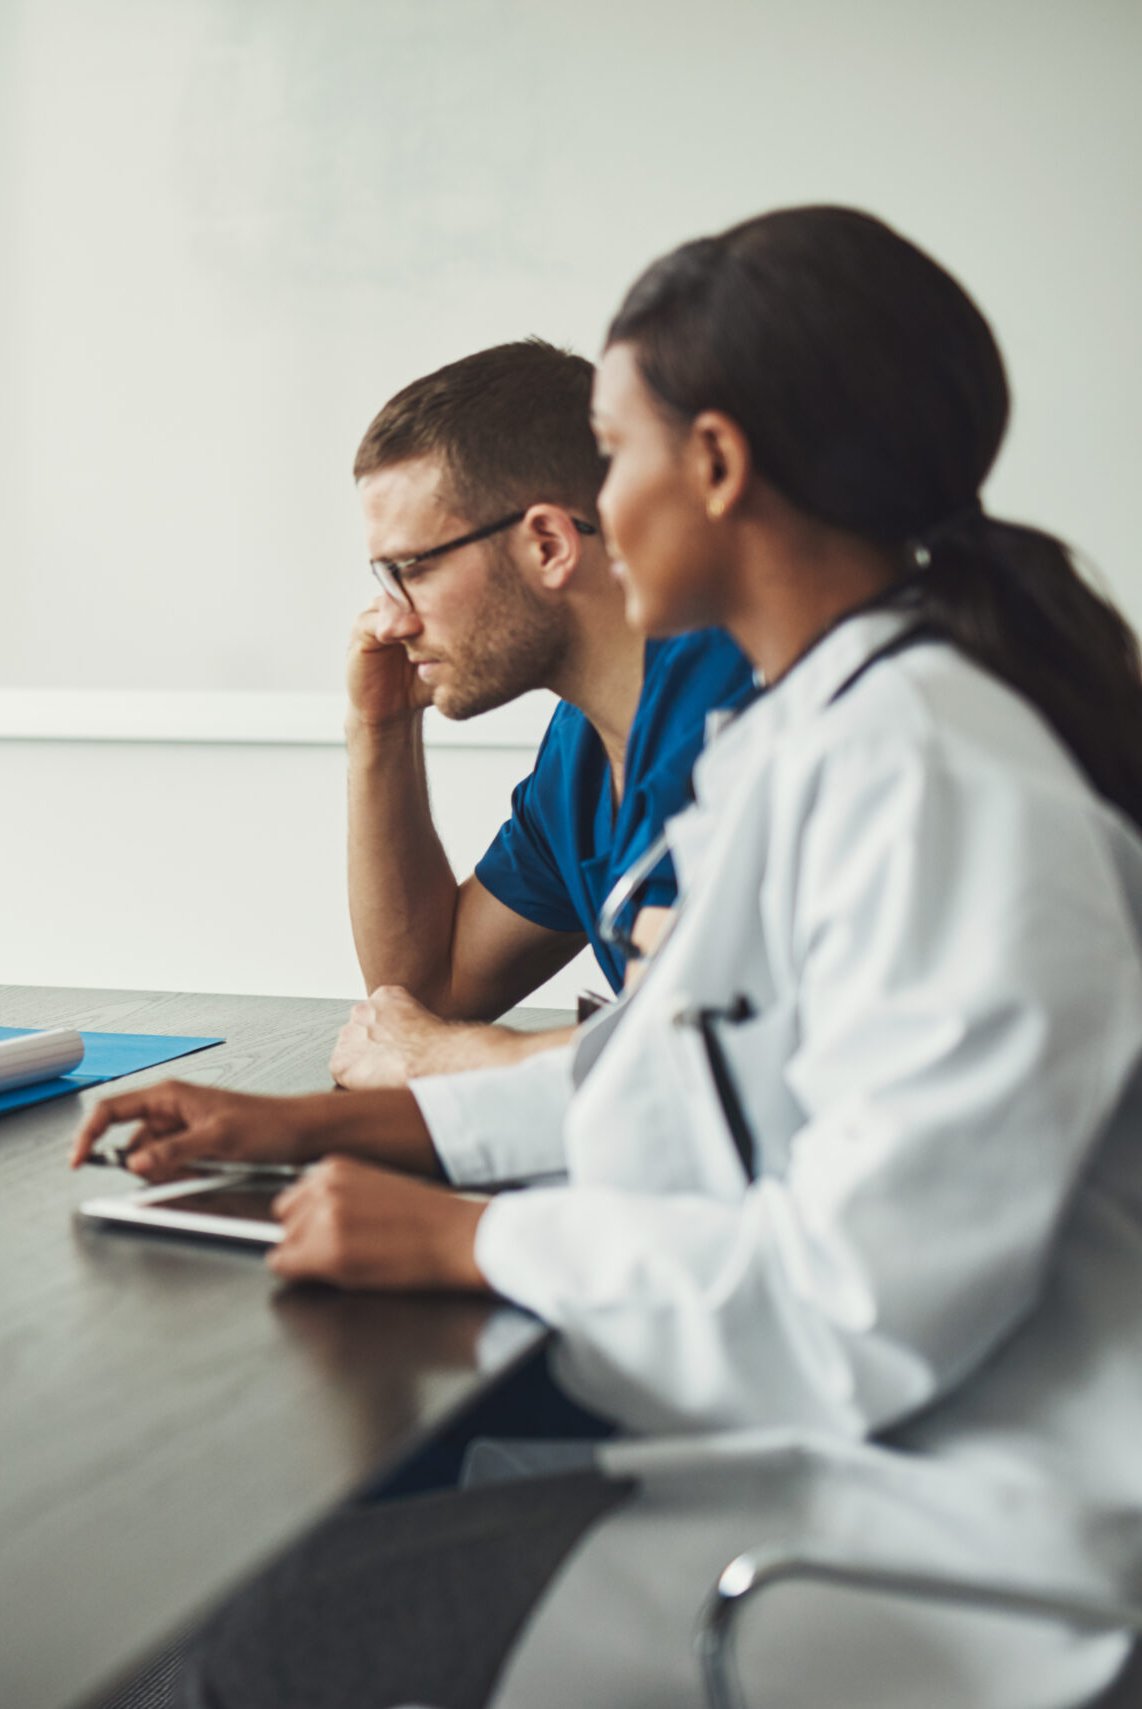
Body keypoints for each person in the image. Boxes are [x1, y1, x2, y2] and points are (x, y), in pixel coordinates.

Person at [77, 207, 1142, 1707]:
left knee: (244, 1643)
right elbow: (669, 1085)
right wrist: (302, 1125)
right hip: (832, 1453)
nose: (593, 499)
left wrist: (469, 1239)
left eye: (614, 448)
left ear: (711, 467)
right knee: (287, 1564)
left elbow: (861, 1309)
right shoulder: (832, 735)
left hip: (954, 1534)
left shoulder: (933, 771)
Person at [333, 340, 756, 1090]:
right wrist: (382, 731)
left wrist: (446, 1055)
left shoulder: (742, 711)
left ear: (549, 543)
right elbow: (425, 991)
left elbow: (719, 1053)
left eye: (415, 568)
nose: (390, 619)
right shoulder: (582, 751)